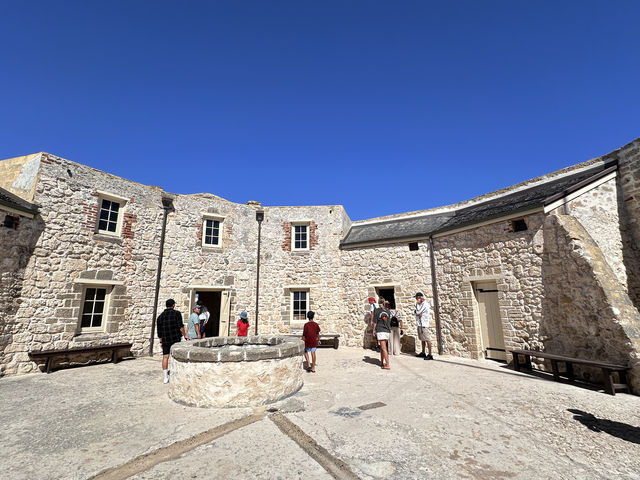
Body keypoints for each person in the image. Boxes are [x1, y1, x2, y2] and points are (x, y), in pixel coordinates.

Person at [156, 298, 187, 384]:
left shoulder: (160, 317)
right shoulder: (177, 314)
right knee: (176, 355)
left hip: (165, 339)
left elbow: (159, 332)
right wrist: (185, 335)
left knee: (165, 357)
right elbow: (180, 326)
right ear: (173, 305)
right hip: (175, 338)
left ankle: (165, 377)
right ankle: (176, 373)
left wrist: (161, 342)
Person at [373, 302, 391, 370]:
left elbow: (375, 322)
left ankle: (387, 364)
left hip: (380, 330)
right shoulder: (388, 311)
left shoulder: (377, 311)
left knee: (383, 348)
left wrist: (374, 330)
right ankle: (382, 362)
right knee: (382, 348)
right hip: (387, 331)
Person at [415, 292, 433, 360]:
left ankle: (430, 354)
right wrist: (417, 313)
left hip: (424, 324)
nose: (416, 299)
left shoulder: (425, 304)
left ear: (420, 298)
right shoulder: (421, 304)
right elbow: (416, 313)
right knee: (422, 339)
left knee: (427, 339)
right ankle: (423, 352)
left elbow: (418, 312)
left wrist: (417, 309)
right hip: (420, 324)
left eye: (417, 298)